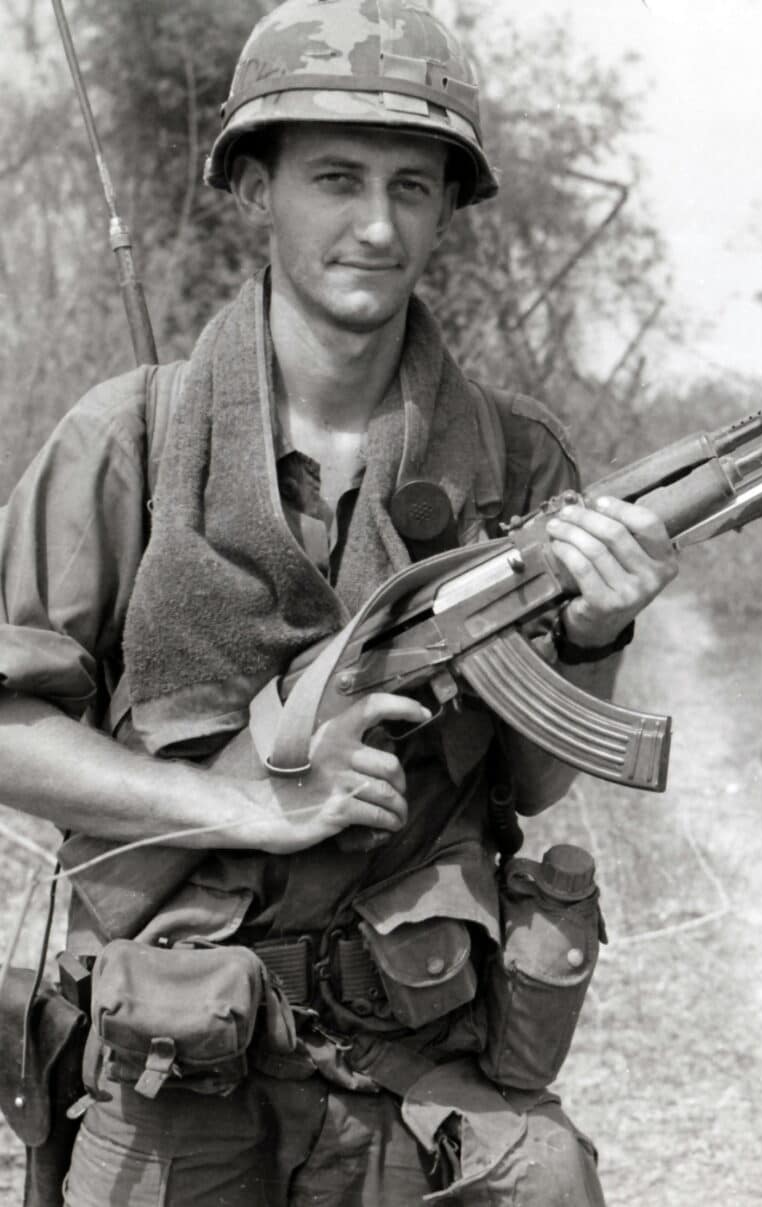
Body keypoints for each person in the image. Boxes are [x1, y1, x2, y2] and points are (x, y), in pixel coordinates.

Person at [0, 2, 677, 1203]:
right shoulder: (132, 439)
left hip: (423, 1063)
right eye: (334, 178)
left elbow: (530, 781)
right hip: (176, 1057)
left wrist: (594, 632)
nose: (375, 224)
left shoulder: (516, 468)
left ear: (446, 211)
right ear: (256, 188)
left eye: (411, 187)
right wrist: (237, 805)